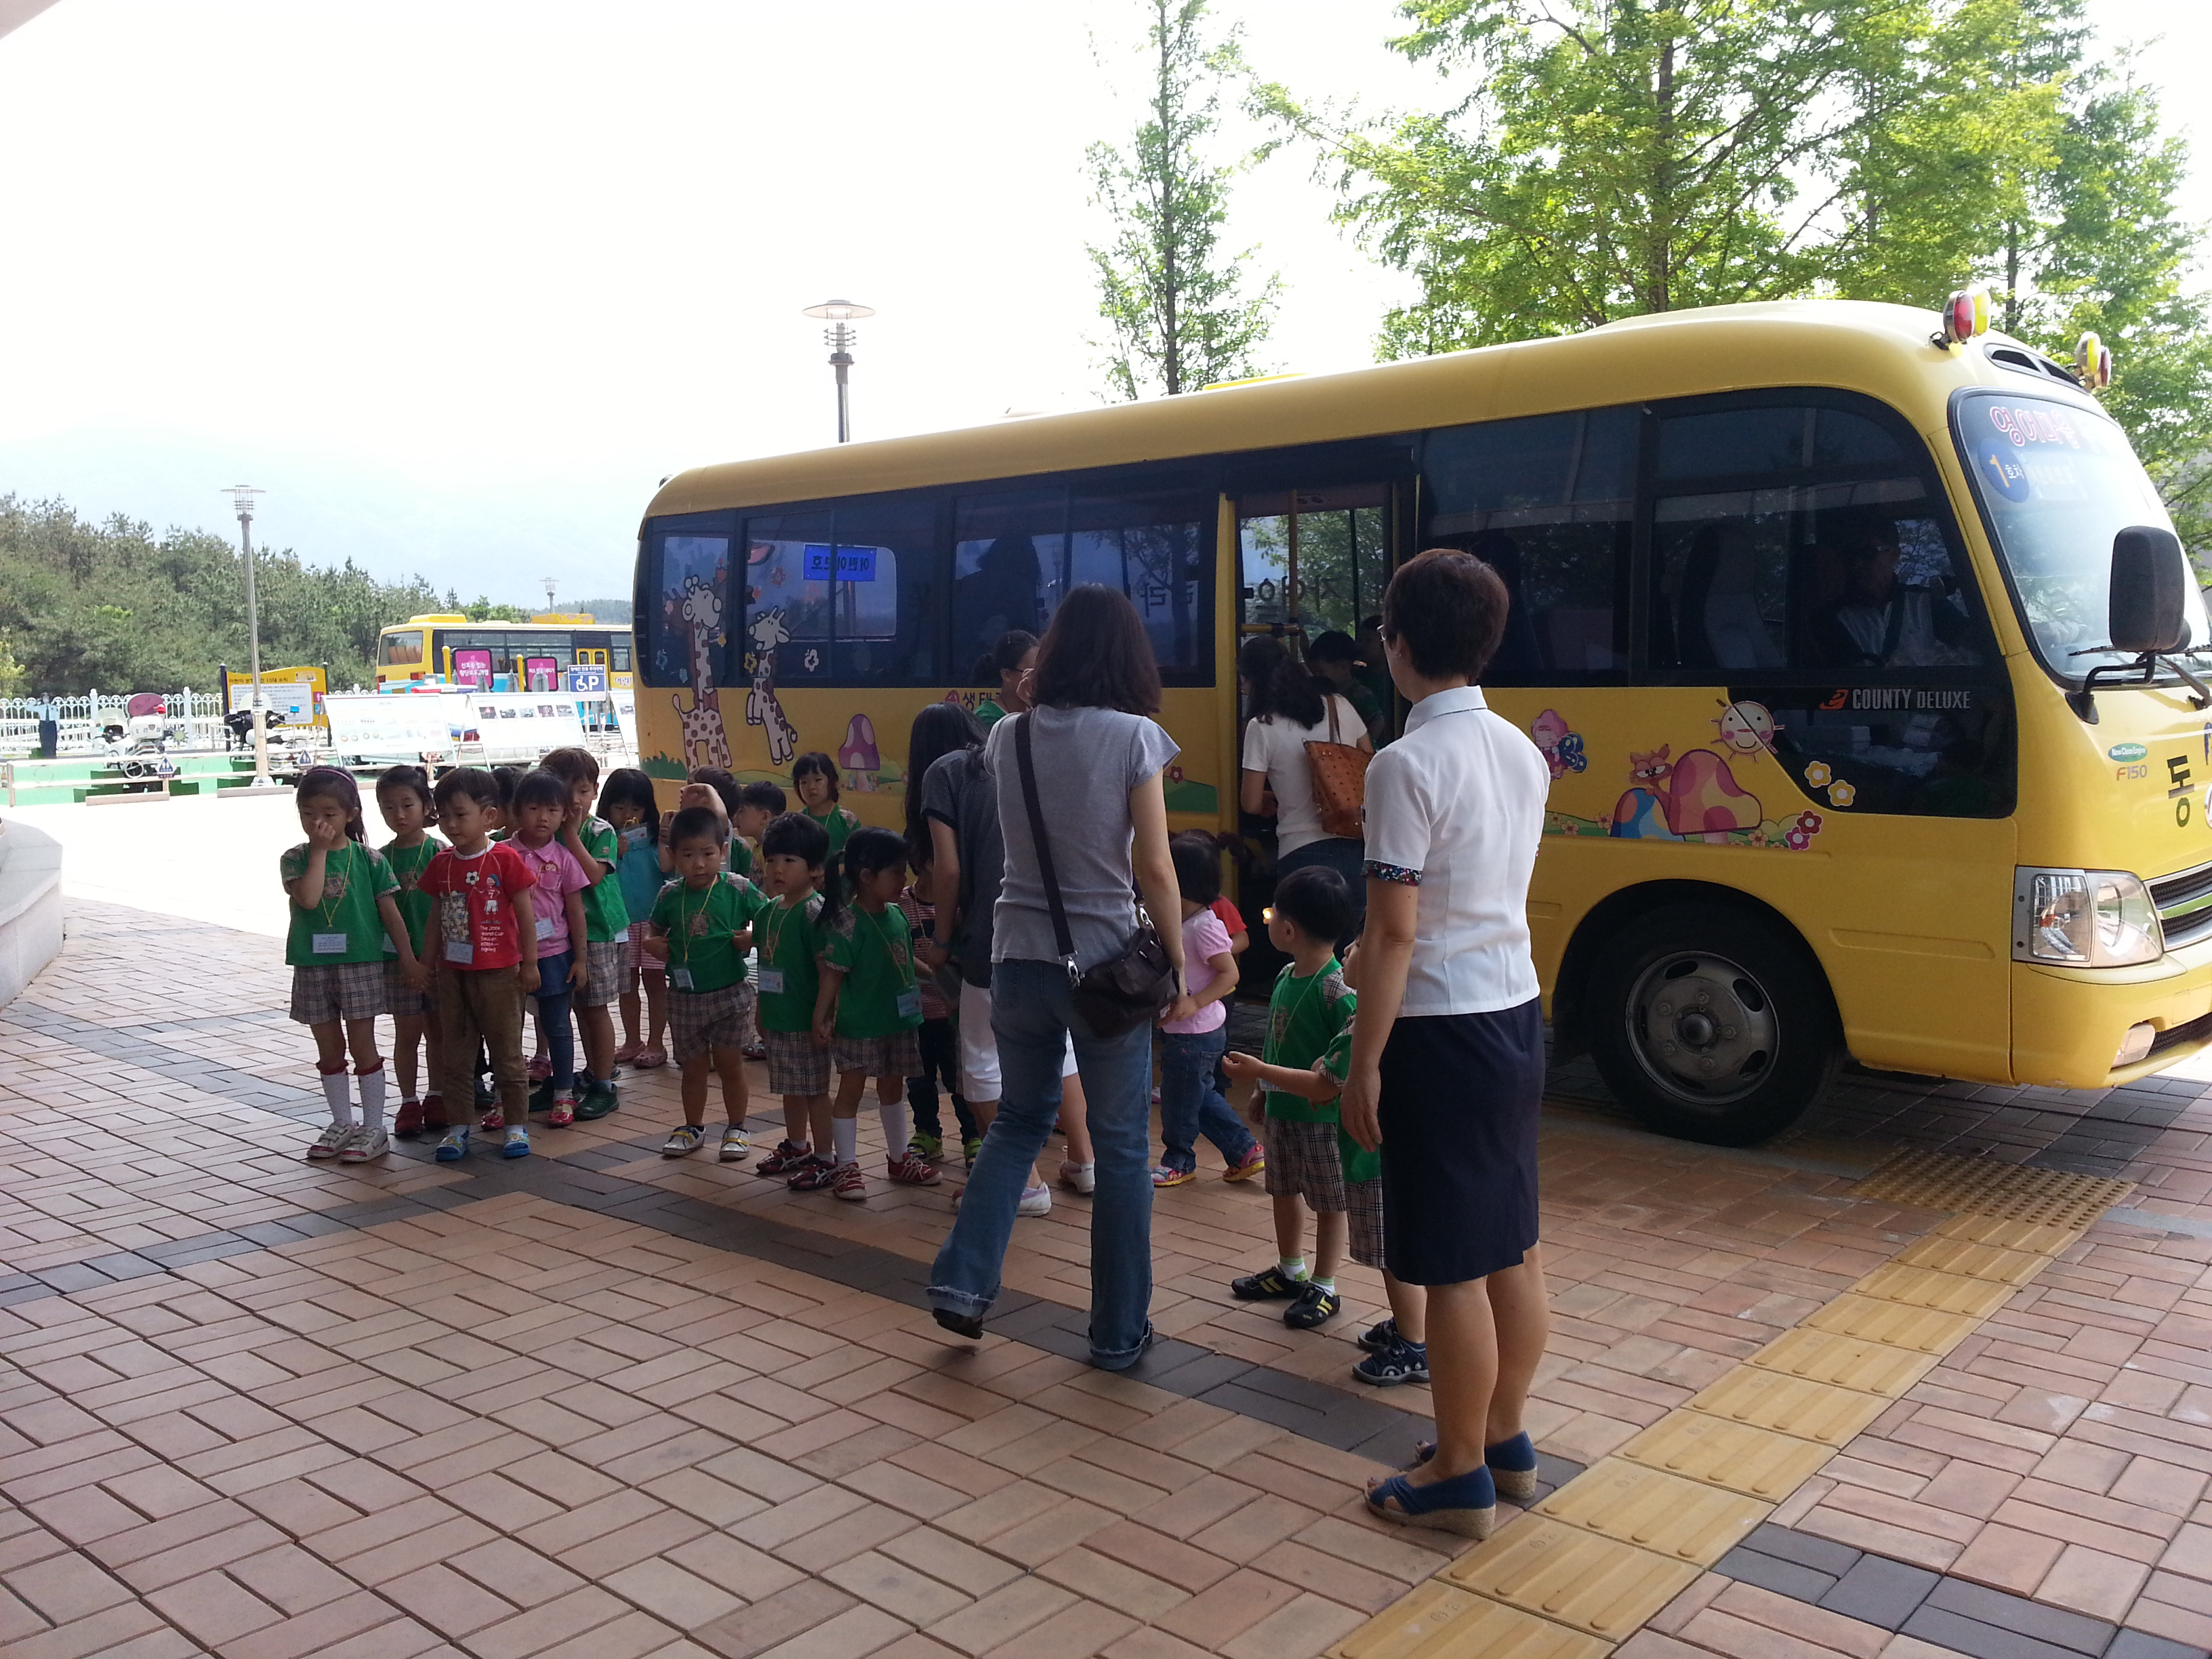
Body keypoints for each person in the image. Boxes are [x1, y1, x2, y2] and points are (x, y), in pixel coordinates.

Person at [1342, 549, 1551, 1538]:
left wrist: (1362, 1063)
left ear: (1399, 642)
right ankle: (1503, 1440)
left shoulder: (1404, 763)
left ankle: (1458, 1474)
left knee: (1455, 1266)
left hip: (1439, 1030)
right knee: (1512, 1244)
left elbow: (1394, 933)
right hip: (1515, 1013)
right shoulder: (1523, 750)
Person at [928, 585, 1189, 1371]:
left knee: (1017, 1122)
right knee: (1118, 1149)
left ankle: (963, 1288)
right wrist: (1176, 964)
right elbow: (1154, 868)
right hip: (1105, 968)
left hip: (1015, 960)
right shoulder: (1137, 738)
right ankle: (1116, 1332)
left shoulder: (1008, 736)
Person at [916, 690, 1094, 1200]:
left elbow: (948, 868)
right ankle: (1084, 1161)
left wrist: (943, 941)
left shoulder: (943, 775)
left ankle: (1023, 1183)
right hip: (1060, 936)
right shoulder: (1016, 760)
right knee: (1059, 1047)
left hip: (995, 938)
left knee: (979, 1062)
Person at [1220, 867, 1390, 1347]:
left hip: (1321, 1121)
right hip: (1284, 1114)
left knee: (1329, 1201)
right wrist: (1262, 1091)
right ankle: (1290, 1269)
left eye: (1272, 915)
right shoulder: (1284, 976)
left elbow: (1334, 1071)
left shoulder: (1337, 988)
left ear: (1288, 930)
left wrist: (1259, 1075)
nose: (1268, 921)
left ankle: (1325, 1284)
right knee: (1283, 1189)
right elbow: (1279, 1045)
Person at [283, 766, 419, 1164]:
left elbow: (391, 915)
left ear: (351, 814)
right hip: (311, 965)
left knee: (363, 1044)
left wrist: (408, 959)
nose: (318, 822)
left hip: (359, 963)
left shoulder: (371, 860)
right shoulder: (295, 858)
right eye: (309, 814)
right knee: (328, 1047)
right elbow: (308, 899)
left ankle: (374, 1126)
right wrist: (320, 851)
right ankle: (342, 1121)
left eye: (329, 813)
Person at [420, 767, 541, 1162]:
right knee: (456, 1054)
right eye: (444, 815)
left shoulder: (505, 859)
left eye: (460, 814)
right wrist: (426, 963)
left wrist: (530, 963)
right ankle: (458, 1129)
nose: (452, 824)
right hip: (452, 974)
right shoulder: (441, 864)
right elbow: (435, 915)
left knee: (507, 1051)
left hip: (501, 972)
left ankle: (516, 1126)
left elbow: (526, 915)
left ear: (488, 817)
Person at [813, 826, 936, 1201]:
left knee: (893, 1087)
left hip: (898, 1022)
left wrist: (938, 977)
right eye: (897, 872)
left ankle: (899, 1159)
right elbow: (833, 976)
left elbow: (903, 957)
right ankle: (847, 1166)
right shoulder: (848, 923)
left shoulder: (896, 915)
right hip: (861, 1025)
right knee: (851, 1089)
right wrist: (822, 1016)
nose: (904, 879)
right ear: (867, 876)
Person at [649, 806, 767, 1161]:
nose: (698, 864)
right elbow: (655, 929)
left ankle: (737, 1127)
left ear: (724, 850)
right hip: (684, 997)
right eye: (688, 855)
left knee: (731, 1064)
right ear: (673, 856)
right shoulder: (670, 895)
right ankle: (693, 1127)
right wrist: (652, 943)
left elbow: (770, 919)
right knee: (693, 1067)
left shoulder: (738, 888)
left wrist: (751, 937)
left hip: (731, 994)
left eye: (707, 854)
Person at [1240, 634, 1372, 945]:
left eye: (1243, 680)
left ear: (1253, 680)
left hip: (1302, 856)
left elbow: (1249, 802)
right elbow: (1370, 761)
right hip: (1355, 849)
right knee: (1352, 958)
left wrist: (1269, 802)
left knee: (1310, 961)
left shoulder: (1262, 726)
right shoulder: (1338, 706)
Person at [1153, 833, 1263, 1188]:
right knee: (1197, 1096)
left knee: (1179, 1102)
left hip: (1196, 1032)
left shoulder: (1204, 925)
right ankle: (1245, 1151)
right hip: (1187, 1031)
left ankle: (1179, 1159)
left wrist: (1194, 1002)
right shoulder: (1182, 922)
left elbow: (1230, 973)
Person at [539, 747, 627, 1120]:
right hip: (558, 935)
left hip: (597, 932)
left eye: (584, 790)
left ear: (594, 791)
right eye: (565, 790)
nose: (575, 800)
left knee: (594, 1007)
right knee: (565, 1006)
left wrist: (571, 834)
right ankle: (578, 1076)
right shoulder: (544, 829)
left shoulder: (598, 830)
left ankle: (604, 1083)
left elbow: (593, 875)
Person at [752, 811, 838, 1185]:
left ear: (816, 869)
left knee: (815, 1090)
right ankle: (797, 1145)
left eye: (790, 860)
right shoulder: (769, 910)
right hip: (778, 1017)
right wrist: (761, 1010)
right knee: (790, 1086)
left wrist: (823, 1016)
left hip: (806, 1019)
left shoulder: (815, 913)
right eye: (771, 860)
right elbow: (766, 964)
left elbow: (827, 971)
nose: (777, 869)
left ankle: (825, 1156)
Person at [505, 770, 592, 1134]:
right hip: (507, 957)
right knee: (507, 1029)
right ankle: (504, 1098)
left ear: (564, 816)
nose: (543, 818)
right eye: (535, 808)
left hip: (555, 953)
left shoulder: (565, 857)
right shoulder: (502, 854)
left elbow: (575, 910)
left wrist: (581, 958)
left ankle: (563, 1092)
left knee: (558, 1025)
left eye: (553, 810)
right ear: (516, 811)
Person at [373, 764, 446, 1140]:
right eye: (388, 808)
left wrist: (430, 960)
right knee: (407, 1032)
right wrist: (408, 961)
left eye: (407, 805)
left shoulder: (440, 852)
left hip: (439, 961)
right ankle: (408, 1100)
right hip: (398, 963)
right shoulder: (378, 859)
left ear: (426, 805)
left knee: (438, 1031)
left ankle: (437, 1095)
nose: (398, 815)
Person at [899, 861, 976, 1164]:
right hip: (915, 1013)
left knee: (960, 1079)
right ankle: (927, 1133)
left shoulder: (959, 904)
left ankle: (973, 1135)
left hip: (953, 1012)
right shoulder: (901, 905)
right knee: (919, 1078)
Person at [600, 768, 670, 1069]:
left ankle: (656, 1043)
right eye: (620, 807)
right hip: (621, 922)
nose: (628, 814)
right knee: (626, 985)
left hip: (654, 923)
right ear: (606, 807)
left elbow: (668, 870)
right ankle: (632, 1040)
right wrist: (614, 852)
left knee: (655, 982)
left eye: (636, 808)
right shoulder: (602, 838)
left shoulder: (654, 840)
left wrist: (667, 838)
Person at [1308, 630, 1387, 747]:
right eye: (1314, 672)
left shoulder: (1360, 694)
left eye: (1321, 672)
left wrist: (1365, 741)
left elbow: (1378, 719)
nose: (1317, 677)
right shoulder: (1325, 693)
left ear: (1344, 667)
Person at [793, 751, 860, 859]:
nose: (811, 787)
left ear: (832, 781)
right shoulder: (795, 822)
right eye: (804, 782)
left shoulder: (847, 820)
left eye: (818, 780)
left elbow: (858, 858)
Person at [971, 629, 1038, 729]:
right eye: (1031, 673)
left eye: (1041, 670)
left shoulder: (1034, 709)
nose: (1038, 678)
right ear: (1006, 675)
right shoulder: (987, 719)